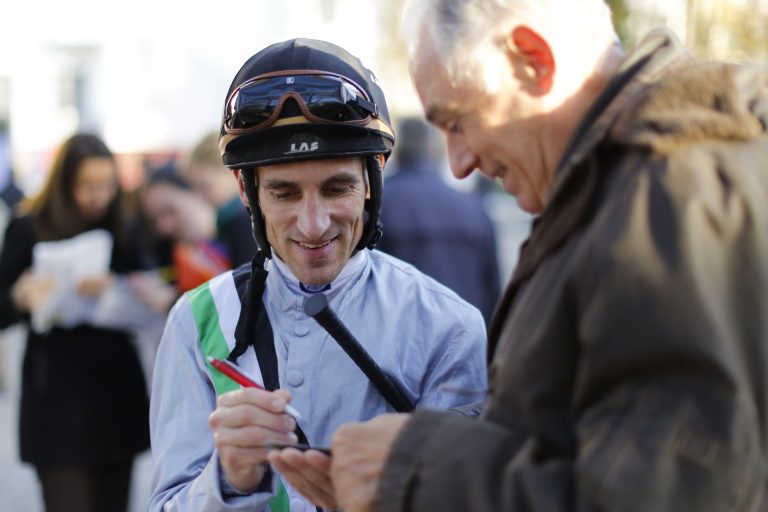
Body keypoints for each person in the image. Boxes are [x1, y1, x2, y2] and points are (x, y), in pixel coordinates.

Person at [275, 1, 768, 510]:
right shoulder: (626, 193)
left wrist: (413, 467)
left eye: (459, 121)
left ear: (531, 59)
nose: (460, 164)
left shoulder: (665, 201)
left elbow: (666, 494)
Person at [148, 37, 487, 512]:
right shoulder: (196, 320)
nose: (313, 224)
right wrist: (229, 480)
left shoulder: (447, 327)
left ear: (373, 181)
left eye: (336, 188)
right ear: (247, 193)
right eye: (284, 193)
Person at [0, 133, 150, 512]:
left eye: (107, 185)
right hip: (56, 398)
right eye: (88, 186)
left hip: (115, 395)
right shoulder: (28, 228)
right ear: (65, 185)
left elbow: (150, 294)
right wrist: (19, 299)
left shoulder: (125, 226)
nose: (99, 196)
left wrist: (119, 288)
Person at [378, 116, 500, 323]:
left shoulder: (379, 204)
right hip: (466, 341)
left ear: (397, 152)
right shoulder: (473, 208)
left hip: (399, 342)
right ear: (437, 151)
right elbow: (493, 293)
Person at [132, 164, 230, 315]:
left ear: (196, 193)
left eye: (170, 210)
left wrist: (172, 303)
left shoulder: (236, 229)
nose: (163, 227)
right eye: (154, 220)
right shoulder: (184, 253)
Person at [183, 130, 258, 267]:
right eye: (194, 188)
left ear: (231, 171)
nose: (200, 197)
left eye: (204, 186)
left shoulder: (243, 219)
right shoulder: (230, 218)